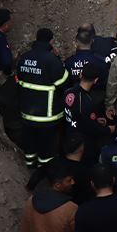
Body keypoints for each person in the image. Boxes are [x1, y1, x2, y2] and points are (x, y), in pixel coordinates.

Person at [16, 28, 68, 168]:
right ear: (51, 41)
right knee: (47, 148)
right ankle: (44, 171)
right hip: (47, 116)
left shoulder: (24, 58)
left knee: (30, 144)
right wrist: (58, 59)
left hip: (27, 113)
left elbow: (18, 79)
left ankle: (29, 166)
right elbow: (63, 82)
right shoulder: (51, 60)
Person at [63, 61, 110, 162]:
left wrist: (95, 120)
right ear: (96, 80)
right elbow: (91, 127)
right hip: (82, 143)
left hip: (68, 136)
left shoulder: (68, 92)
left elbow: (78, 116)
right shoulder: (86, 101)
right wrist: (110, 129)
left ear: (80, 75)